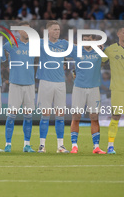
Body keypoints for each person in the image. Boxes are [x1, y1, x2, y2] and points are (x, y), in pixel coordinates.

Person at [68, 35, 106, 154]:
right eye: (84, 40)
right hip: (79, 88)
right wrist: (72, 71)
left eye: (89, 40)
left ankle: (96, 147)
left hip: (94, 88)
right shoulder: (76, 50)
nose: (87, 42)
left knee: (94, 118)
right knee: (76, 117)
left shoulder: (99, 50)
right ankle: (74, 146)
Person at [36, 20, 69, 153]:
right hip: (45, 82)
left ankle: (60, 146)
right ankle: (42, 145)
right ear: (48, 31)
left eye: (58, 29)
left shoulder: (64, 44)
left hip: (60, 83)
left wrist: (96, 46)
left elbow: (78, 48)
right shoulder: (41, 43)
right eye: (55, 29)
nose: (57, 31)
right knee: (45, 115)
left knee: (60, 115)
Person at [102, 26, 124, 154]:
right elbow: (99, 61)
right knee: (116, 116)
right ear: (118, 34)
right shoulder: (110, 49)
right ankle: (110, 146)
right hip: (117, 88)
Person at [3, 22, 35, 153]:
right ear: (19, 31)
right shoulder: (11, 44)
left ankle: (27, 145)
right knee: (11, 116)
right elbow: (0, 52)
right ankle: (8, 144)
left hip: (30, 85)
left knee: (28, 117)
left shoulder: (35, 45)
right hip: (15, 84)